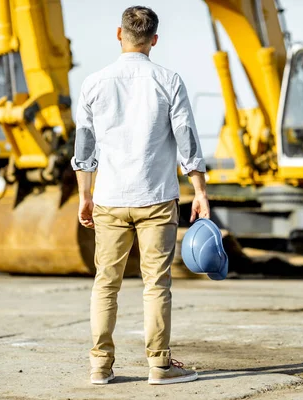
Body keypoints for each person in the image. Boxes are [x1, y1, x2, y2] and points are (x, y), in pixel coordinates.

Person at [71, 5, 209, 386]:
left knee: (106, 283)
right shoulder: (169, 80)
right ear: (154, 40)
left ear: (120, 35)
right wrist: (199, 191)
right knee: (156, 284)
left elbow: (84, 150)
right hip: (157, 198)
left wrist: (85, 196)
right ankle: (160, 366)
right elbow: (187, 141)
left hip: (109, 199)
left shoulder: (94, 83)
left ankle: (100, 365)